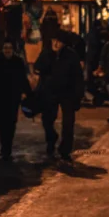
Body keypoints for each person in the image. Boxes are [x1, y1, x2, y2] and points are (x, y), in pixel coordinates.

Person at [34, 33, 83, 161]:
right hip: (50, 92)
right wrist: (48, 57)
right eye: (54, 40)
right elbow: (37, 67)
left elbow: (78, 77)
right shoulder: (47, 53)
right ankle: (51, 139)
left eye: (59, 41)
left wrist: (78, 96)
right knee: (47, 120)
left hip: (67, 93)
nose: (56, 44)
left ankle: (65, 150)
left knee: (68, 123)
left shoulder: (71, 55)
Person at [0, 39, 31, 161]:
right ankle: (4, 146)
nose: (7, 50)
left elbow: (23, 79)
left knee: (10, 123)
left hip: (12, 97)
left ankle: (7, 147)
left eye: (9, 48)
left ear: (13, 49)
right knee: (1, 123)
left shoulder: (18, 62)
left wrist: (29, 94)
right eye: (5, 48)